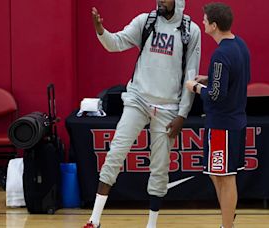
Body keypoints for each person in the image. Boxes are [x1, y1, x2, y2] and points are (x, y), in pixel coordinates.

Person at [84, 0, 201, 227]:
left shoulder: (191, 31)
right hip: (138, 99)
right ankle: (94, 220)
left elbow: (191, 75)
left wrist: (182, 114)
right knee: (115, 153)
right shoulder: (145, 21)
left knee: (159, 168)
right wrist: (101, 31)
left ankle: (151, 224)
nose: (160, 0)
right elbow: (115, 43)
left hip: (169, 107)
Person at [186, 3, 250, 228]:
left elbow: (214, 95)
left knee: (225, 177)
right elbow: (234, 80)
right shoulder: (240, 45)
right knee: (218, 174)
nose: (202, 22)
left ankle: (227, 225)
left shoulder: (221, 54)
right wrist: (210, 76)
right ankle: (228, 215)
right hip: (236, 120)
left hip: (222, 125)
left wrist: (194, 86)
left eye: (204, 20)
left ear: (214, 25)